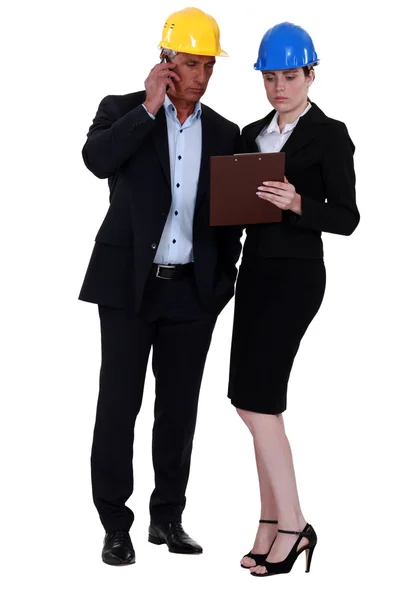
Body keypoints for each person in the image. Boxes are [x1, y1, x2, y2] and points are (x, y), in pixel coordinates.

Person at [79, 7, 242, 566]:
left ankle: (167, 516)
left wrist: (220, 286)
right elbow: (96, 161)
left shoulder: (224, 133)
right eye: (190, 63)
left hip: (191, 294)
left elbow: (232, 220)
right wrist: (149, 107)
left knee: (178, 410)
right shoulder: (121, 110)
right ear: (165, 60)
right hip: (127, 288)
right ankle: (114, 524)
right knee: (119, 405)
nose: (199, 75)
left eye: (207, 66)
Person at [228, 22, 360, 576]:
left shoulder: (330, 134)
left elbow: (348, 219)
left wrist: (300, 202)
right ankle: (267, 521)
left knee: (261, 401)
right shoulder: (250, 134)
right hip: (254, 274)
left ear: (310, 75)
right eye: (270, 77)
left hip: (297, 279)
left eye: (290, 76)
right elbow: (235, 213)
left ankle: (294, 525)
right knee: (246, 399)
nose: (279, 87)